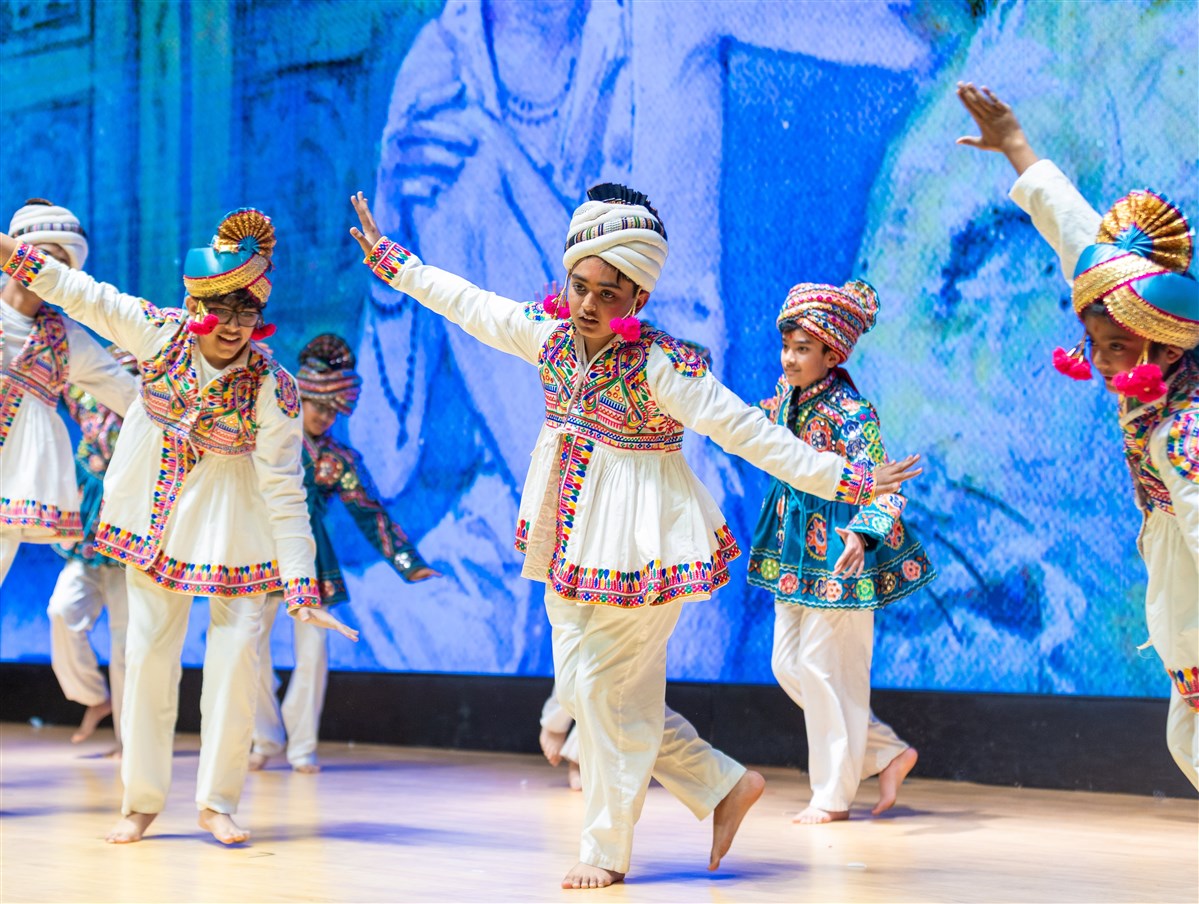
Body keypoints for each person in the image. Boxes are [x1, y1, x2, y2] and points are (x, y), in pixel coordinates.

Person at [350, 183, 922, 888]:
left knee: (599, 690)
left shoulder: (661, 365)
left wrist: (846, 480)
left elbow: (747, 431)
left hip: (644, 543)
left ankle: (605, 849)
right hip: (566, 539)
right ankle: (720, 783)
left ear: (638, 297)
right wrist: (395, 263)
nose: (589, 304)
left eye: (608, 293)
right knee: (591, 690)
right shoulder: (548, 336)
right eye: (580, 286)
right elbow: (471, 305)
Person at [0, 208, 358, 846]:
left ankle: (217, 803)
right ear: (196, 307)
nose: (234, 325)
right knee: (147, 661)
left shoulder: (273, 387)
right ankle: (141, 801)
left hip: (236, 533)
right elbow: (82, 293)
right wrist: (10, 251)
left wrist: (302, 584)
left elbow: (284, 488)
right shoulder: (157, 335)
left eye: (246, 311)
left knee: (236, 665)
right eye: (221, 309)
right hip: (154, 525)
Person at [956, 82, 1198, 788]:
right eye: (1095, 344)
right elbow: (1078, 236)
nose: (1104, 361)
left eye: (1118, 346)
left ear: (1164, 343)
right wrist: (1015, 147)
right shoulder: (1155, 375)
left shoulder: (1183, 433)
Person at [748, 280, 935, 823]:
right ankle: (884, 752)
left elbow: (885, 485)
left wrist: (861, 533)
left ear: (832, 355)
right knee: (788, 664)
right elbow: (756, 427)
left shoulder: (854, 412)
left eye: (802, 349)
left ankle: (832, 795)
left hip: (839, 549)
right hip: (792, 549)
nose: (789, 358)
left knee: (823, 667)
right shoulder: (786, 397)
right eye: (786, 347)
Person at [251, 333, 437, 773]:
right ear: (300, 399)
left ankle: (302, 746)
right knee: (249, 648)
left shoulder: (338, 458)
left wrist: (409, 563)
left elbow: (370, 512)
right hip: (261, 547)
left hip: (311, 556)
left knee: (314, 651)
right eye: (317, 406)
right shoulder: (270, 439)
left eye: (332, 410)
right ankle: (264, 736)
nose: (323, 416)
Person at [0, 199, 137, 582]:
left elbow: (128, 394)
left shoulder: (65, 338)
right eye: (42, 256)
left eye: (61, 264)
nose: (48, 269)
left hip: (12, 483)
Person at [47, 345, 140, 749]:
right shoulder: (85, 393)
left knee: (125, 642)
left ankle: (128, 741)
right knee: (62, 611)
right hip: (87, 533)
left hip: (128, 532)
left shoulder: (146, 398)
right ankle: (94, 697)